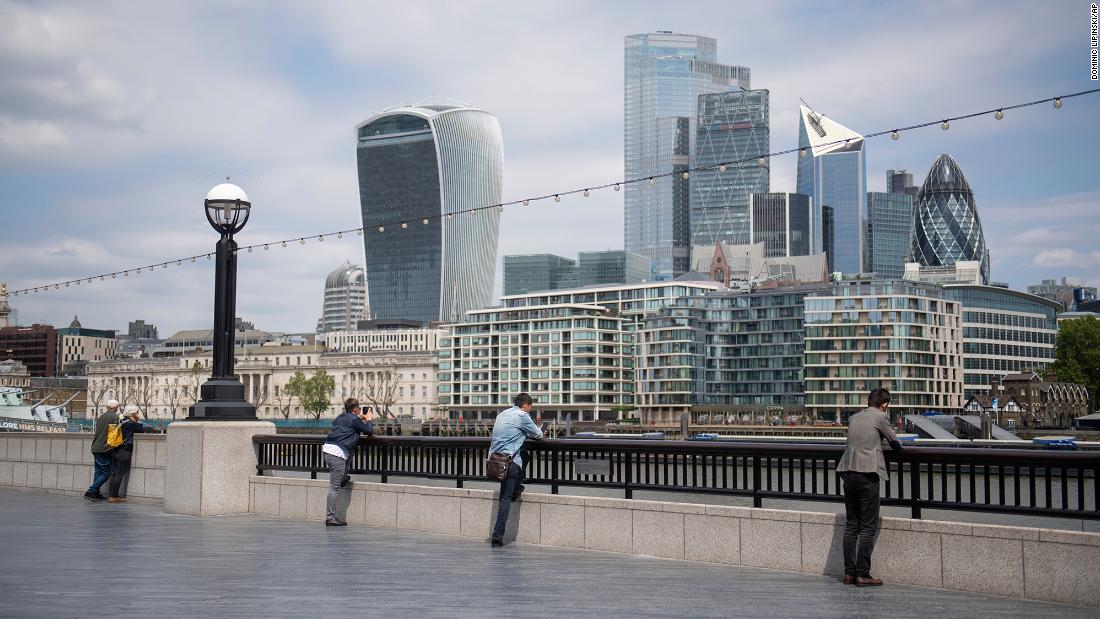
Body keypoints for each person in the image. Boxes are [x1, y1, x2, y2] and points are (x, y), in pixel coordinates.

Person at [836, 387, 902, 587]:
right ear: (885, 404)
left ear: (868, 402)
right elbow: (896, 443)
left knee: (851, 525)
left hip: (848, 473)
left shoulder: (854, 418)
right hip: (867, 475)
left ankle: (849, 573)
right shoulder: (881, 417)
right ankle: (863, 574)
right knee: (867, 527)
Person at [489, 393, 544, 547]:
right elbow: (538, 435)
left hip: (496, 461)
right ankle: (497, 537)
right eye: (530, 409)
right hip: (509, 463)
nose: (529, 412)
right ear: (526, 405)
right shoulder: (522, 416)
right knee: (505, 498)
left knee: (524, 456)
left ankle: (517, 488)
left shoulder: (502, 414)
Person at [321, 398, 374, 526]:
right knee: (334, 487)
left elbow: (351, 424)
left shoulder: (341, 417)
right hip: (337, 454)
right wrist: (369, 419)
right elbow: (369, 431)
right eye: (359, 408)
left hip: (327, 450)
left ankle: (343, 478)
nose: (360, 409)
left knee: (344, 465)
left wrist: (360, 418)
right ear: (355, 408)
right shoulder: (354, 419)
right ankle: (330, 518)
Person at [107, 405, 151, 503]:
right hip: (124, 451)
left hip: (115, 449)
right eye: (137, 413)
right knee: (119, 474)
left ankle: (112, 495)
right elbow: (144, 429)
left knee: (114, 474)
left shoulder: (121, 421)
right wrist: (137, 421)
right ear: (132, 413)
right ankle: (113, 496)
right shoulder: (130, 423)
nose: (138, 415)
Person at [84, 400, 121, 501]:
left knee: (98, 472)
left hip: (95, 447)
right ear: (116, 408)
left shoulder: (101, 417)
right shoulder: (114, 417)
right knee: (106, 473)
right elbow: (113, 434)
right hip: (104, 448)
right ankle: (91, 491)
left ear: (107, 407)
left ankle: (96, 493)